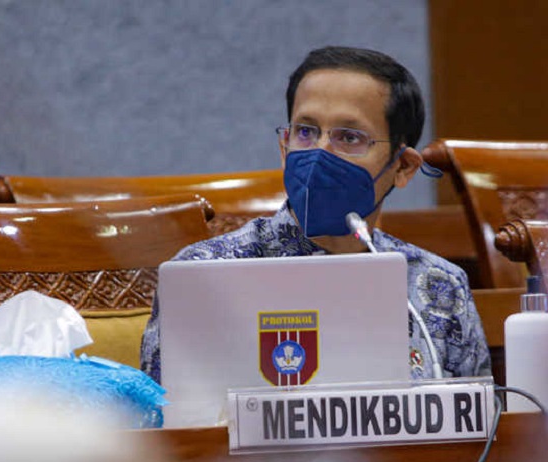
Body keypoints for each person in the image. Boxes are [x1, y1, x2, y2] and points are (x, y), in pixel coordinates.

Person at [141, 46, 490, 383]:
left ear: (403, 167)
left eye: (349, 137)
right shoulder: (203, 275)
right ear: (285, 148)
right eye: (305, 132)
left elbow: (481, 417)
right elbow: (164, 417)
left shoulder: (439, 284)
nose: (320, 152)